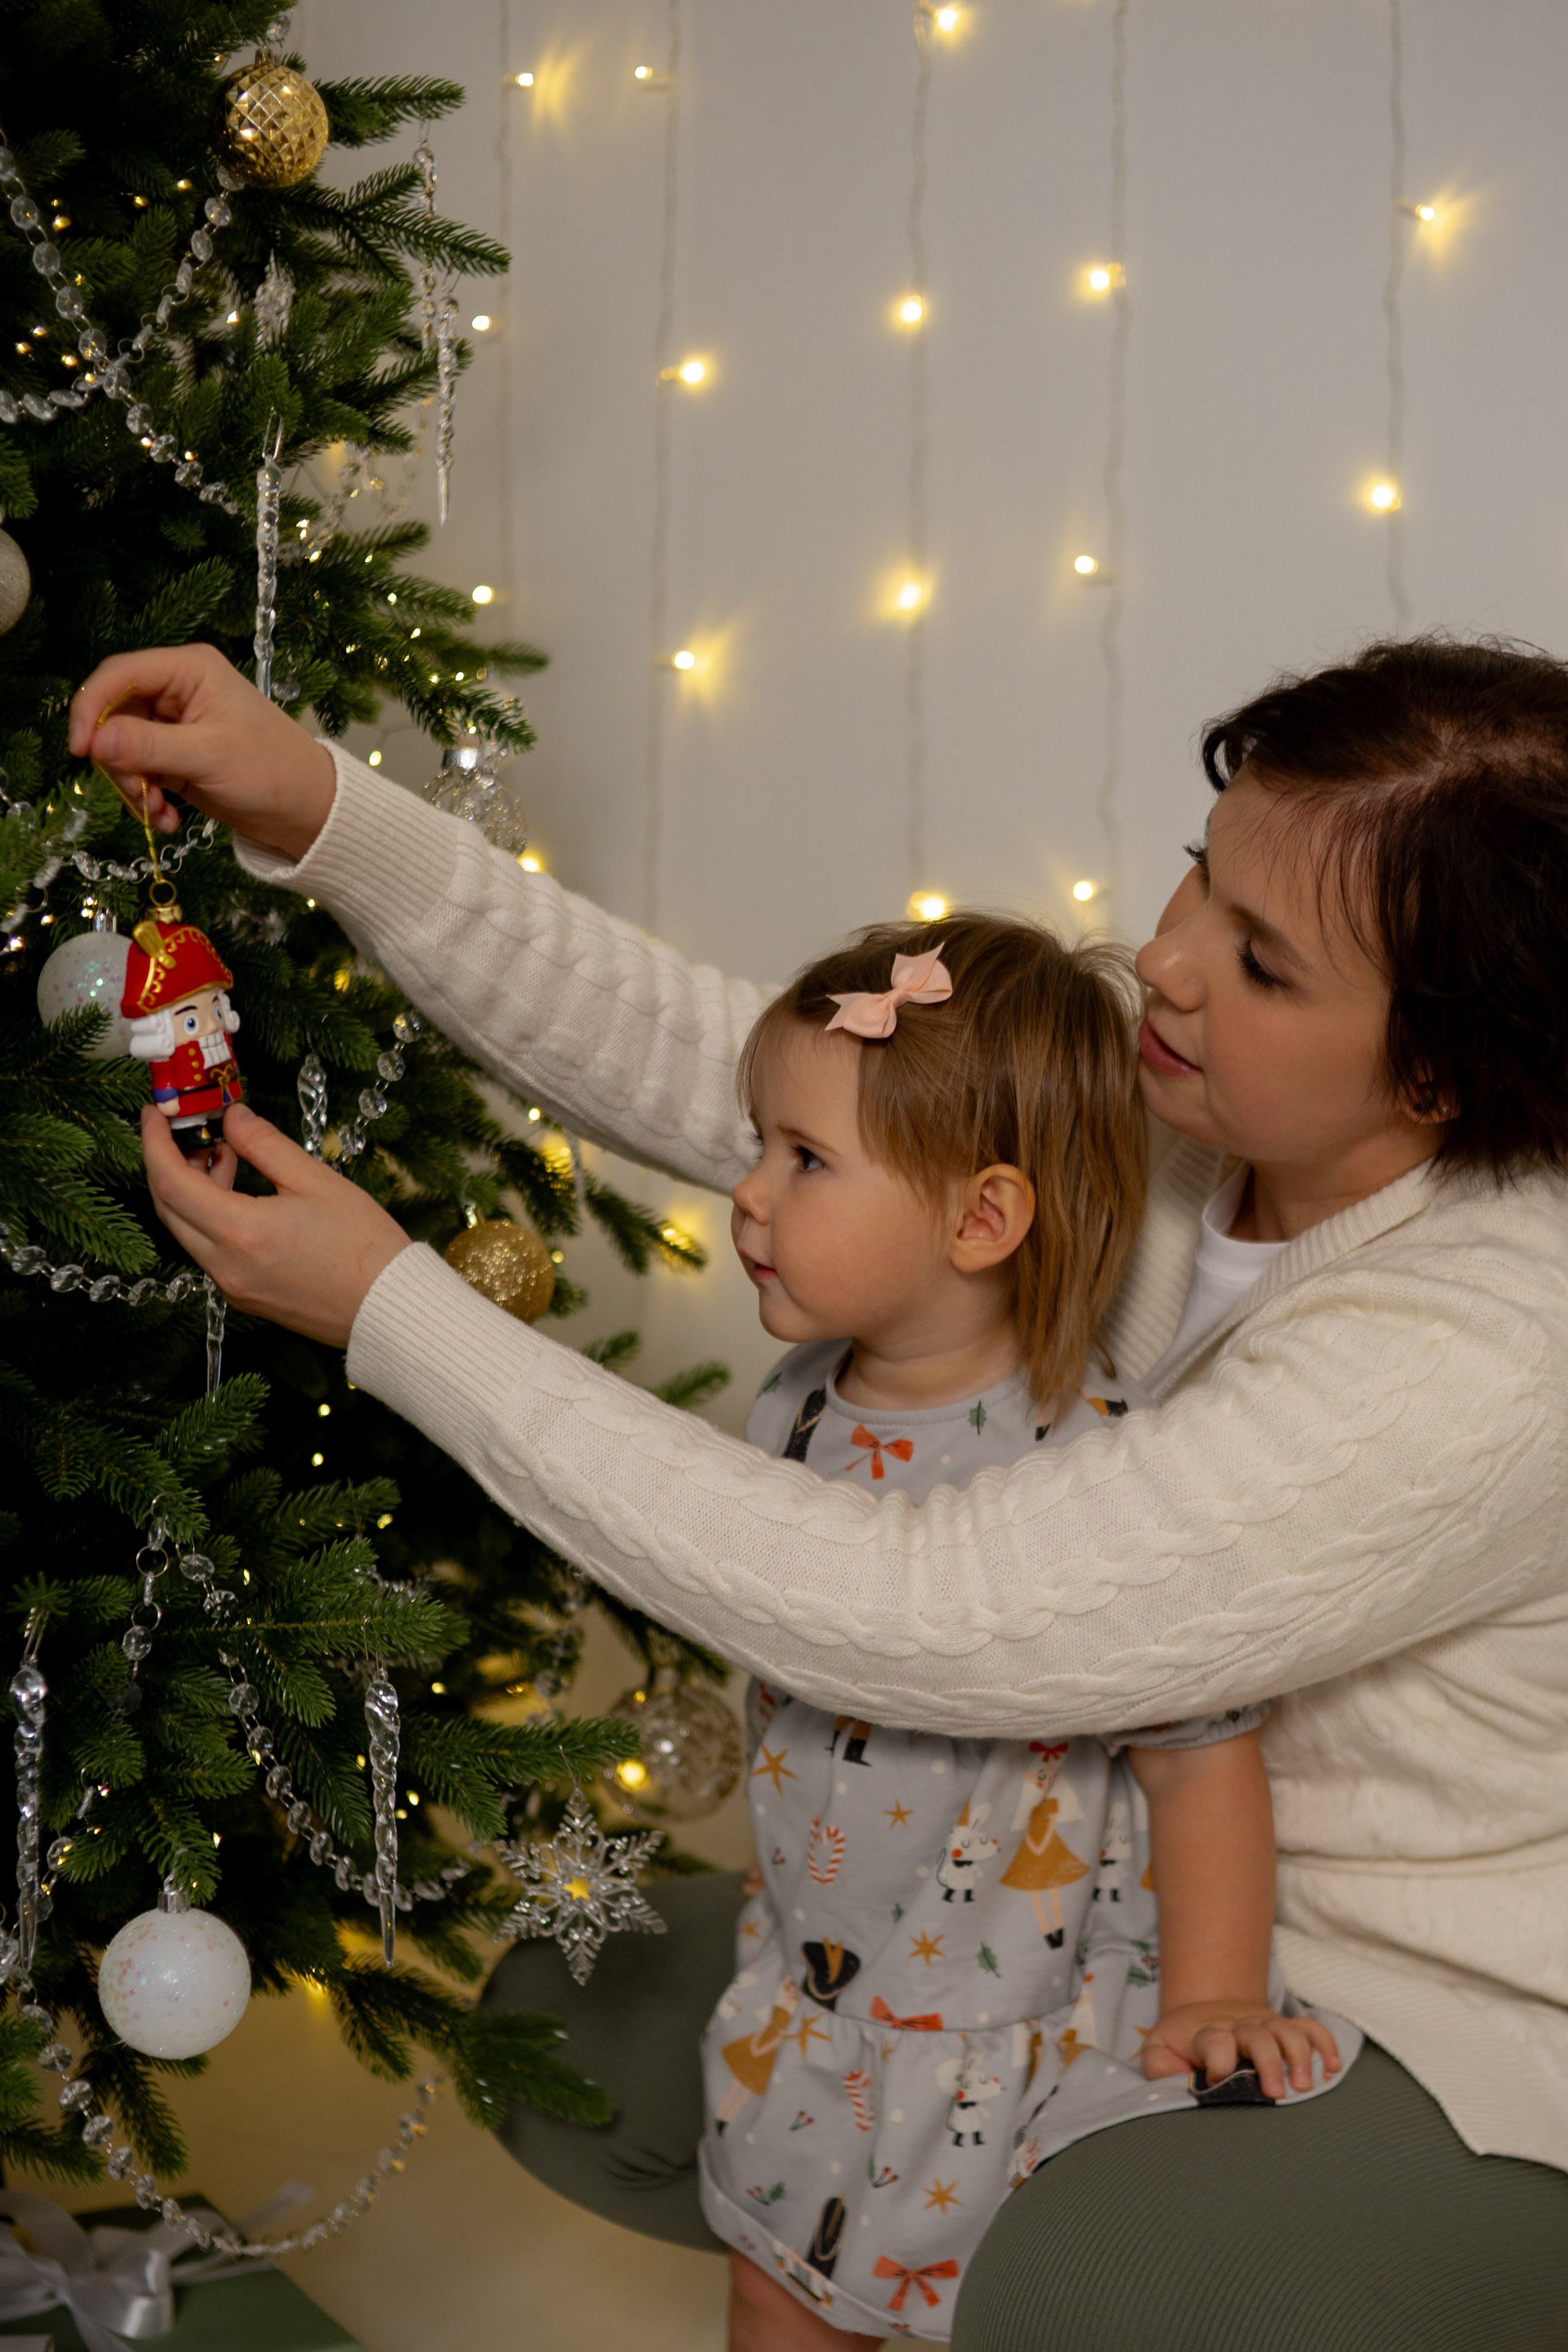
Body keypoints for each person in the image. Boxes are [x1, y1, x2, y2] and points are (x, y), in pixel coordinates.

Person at [67, 637, 1568, 2348]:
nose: (1161, 963)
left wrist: (395, 1313)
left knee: (1092, 2290)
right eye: (1199, 879)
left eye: (1264, 963)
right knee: (591, 2025)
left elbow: (928, 1616)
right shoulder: (1176, 1114)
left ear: (1445, 1072)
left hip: (1399, 2011)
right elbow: (754, 1072)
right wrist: (322, 807)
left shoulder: (1485, 1348)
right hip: (1082, 1901)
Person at [695, 913, 1342, 2344]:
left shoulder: (1095, 1481)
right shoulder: (789, 1406)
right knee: (769, 2275)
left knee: (981, 2314)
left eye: (803, 1161)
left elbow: (1197, 1758)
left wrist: (1215, 1994)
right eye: (761, 1144)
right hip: (806, 1997)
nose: (745, 1196)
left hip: (1013, 2045)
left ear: (981, 1221)